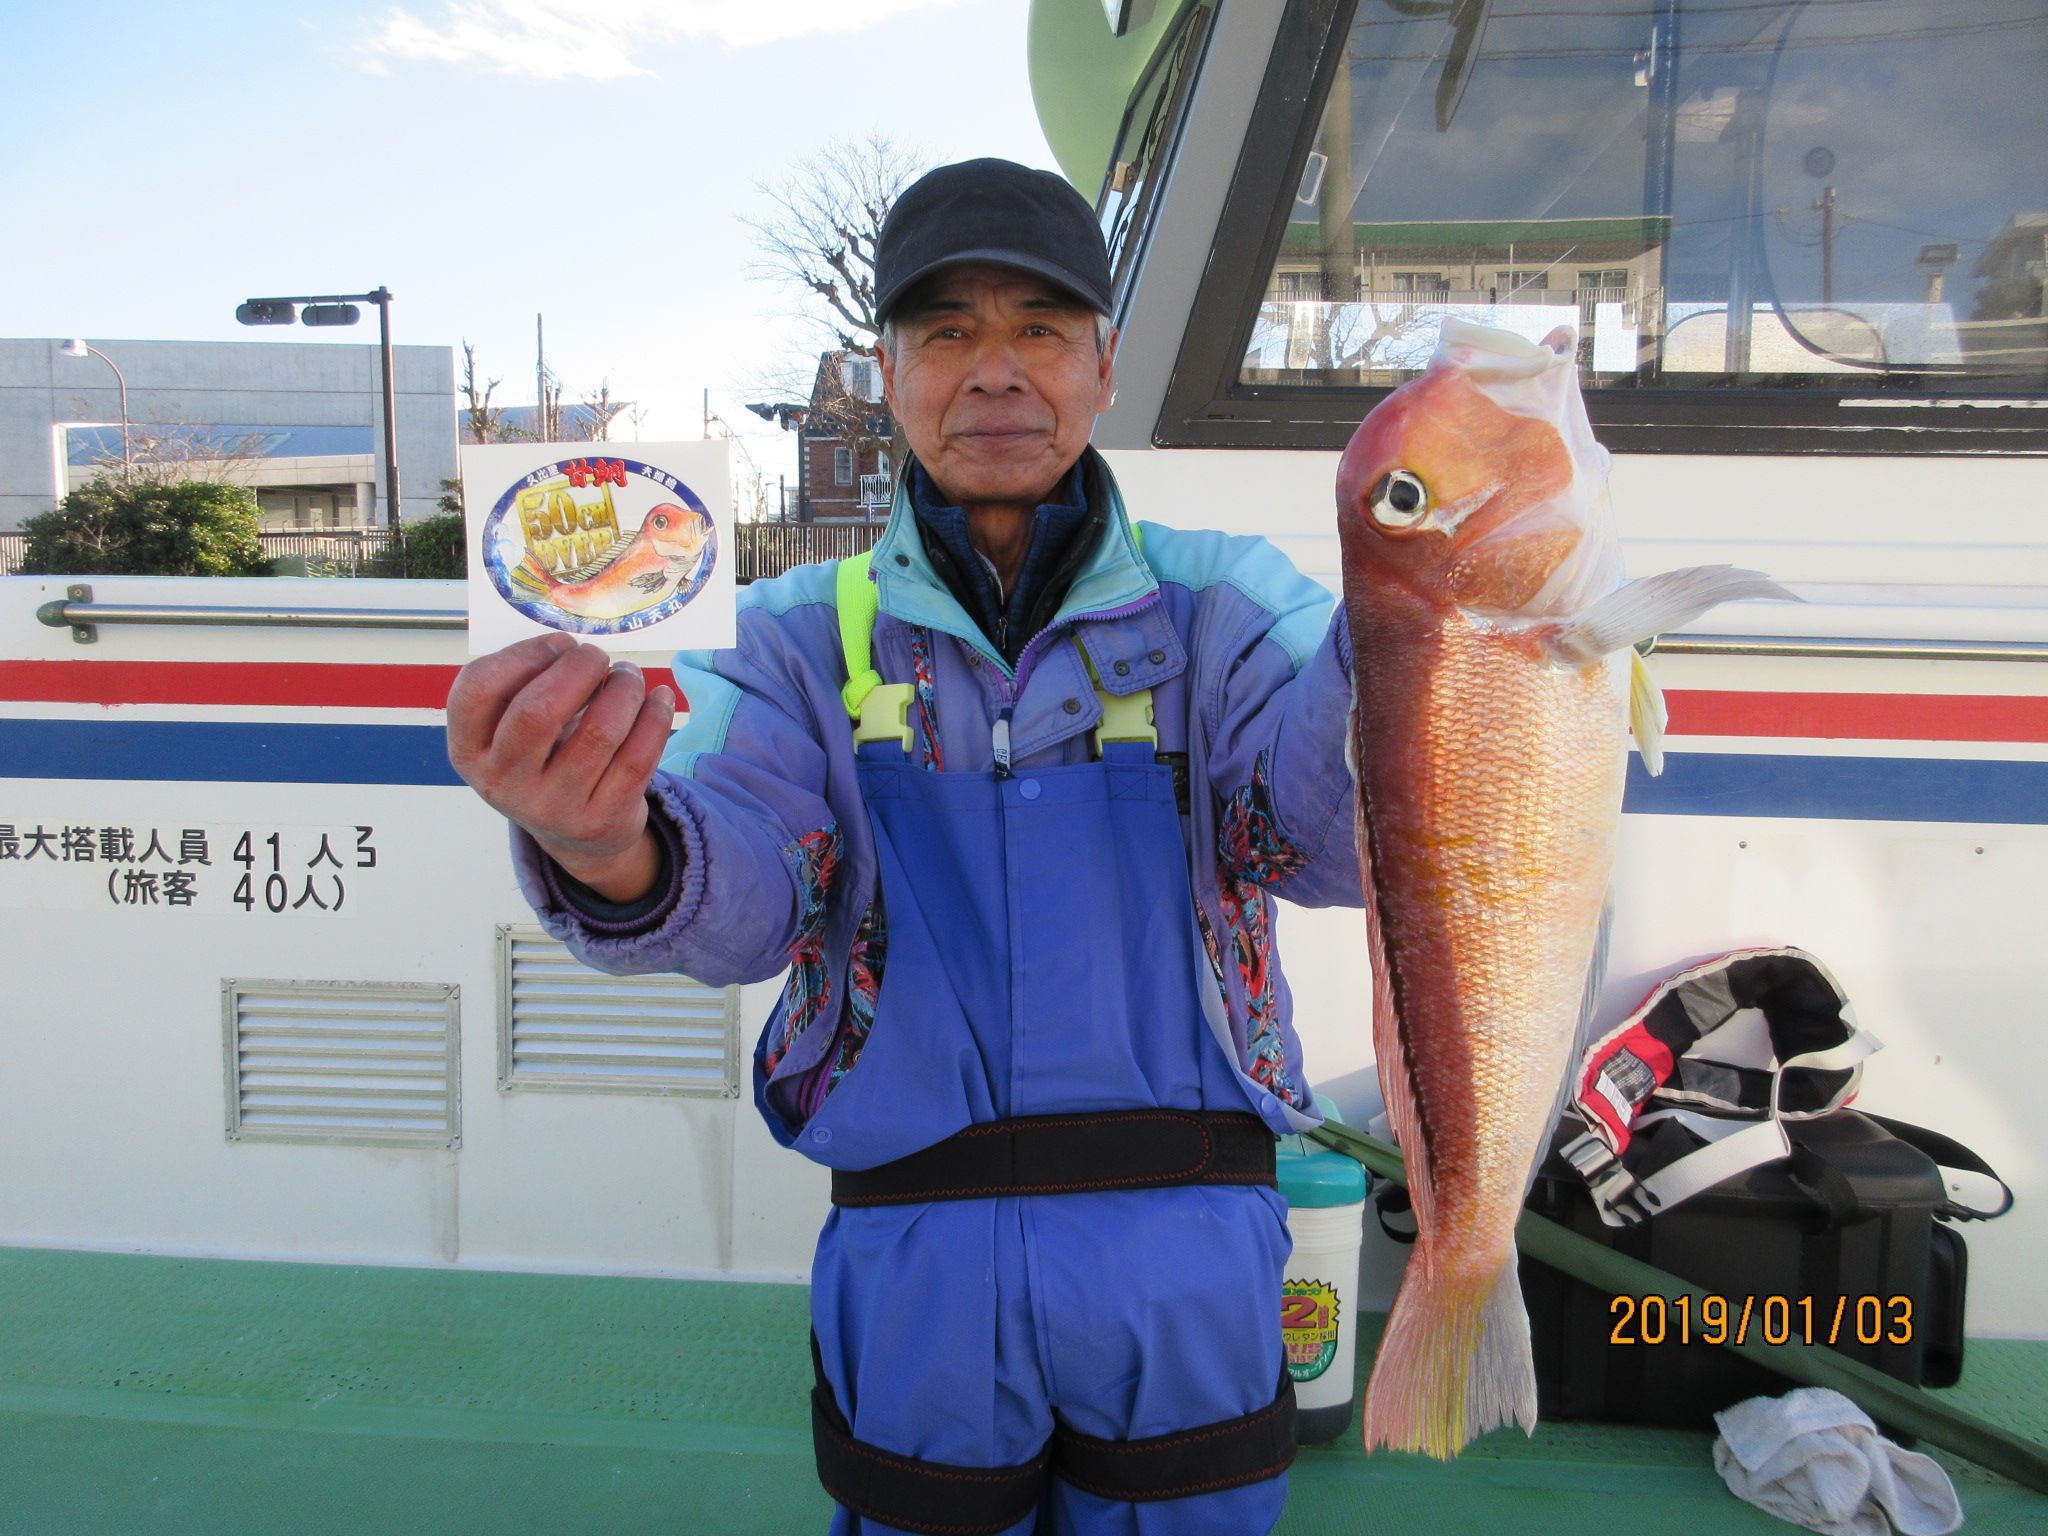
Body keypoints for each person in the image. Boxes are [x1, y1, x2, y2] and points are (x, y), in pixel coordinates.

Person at [447, 158, 1363, 1536]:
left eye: (1040, 327)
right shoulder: (788, 639)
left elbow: (1319, 839)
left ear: (1104, 364)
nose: (995, 370)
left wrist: (1413, 643)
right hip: (912, 1253)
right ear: (887, 372)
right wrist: (606, 839)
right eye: (946, 330)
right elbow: (748, 879)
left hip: (1189, 1248)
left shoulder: (1231, 604)